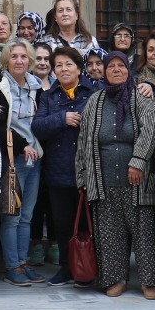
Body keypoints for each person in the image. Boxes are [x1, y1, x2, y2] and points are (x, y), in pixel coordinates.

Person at [74, 50, 155, 297]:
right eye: (110, 66)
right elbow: (84, 141)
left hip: (138, 180)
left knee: (144, 232)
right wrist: (83, 177)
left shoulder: (141, 100)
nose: (115, 70)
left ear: (128, 70)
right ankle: (116, 278)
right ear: (104, 71)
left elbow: (150, 132)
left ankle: (148, 281)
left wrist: (138, 162)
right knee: (110, 233)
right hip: (103, 180)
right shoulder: (95, 101)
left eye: (120, 66)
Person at [36, 45, 93, 287]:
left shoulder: (94, 92)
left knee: (87, 224)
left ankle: (88, 267)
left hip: (87, 170)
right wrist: (62, 118)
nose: (63, 69)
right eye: (58, 65)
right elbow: (38, 127)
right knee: (62, 223)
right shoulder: (49, 96)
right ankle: (66, 268)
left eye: (68, 64)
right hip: (58, 170)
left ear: (79, 68)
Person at [0, 37, 44, 286]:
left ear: (30, 60)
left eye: (23, 57)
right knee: (11, 216)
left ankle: (23, 263)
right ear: (6, 61)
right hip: (13, 160)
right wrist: (22, 147)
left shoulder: (37, 87)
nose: (19, 61)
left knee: (27, 215)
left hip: (36, 158)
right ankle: (12, 266)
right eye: (14, 57)